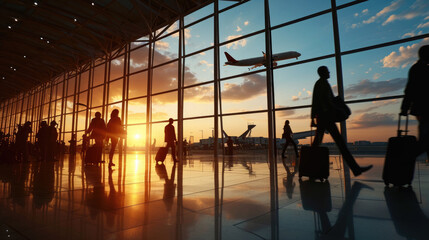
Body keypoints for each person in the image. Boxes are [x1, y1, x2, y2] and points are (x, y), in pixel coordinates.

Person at [311, 66, 372, 177]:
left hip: (323, 117)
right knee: (340, 143)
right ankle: (356, 169)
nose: (329, 72)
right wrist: (338, 109)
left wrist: (313, 118)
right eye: (327, 71)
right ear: (323, 73)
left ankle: (308, 167)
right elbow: (322, 102)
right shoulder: (322, 84)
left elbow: (315, 101)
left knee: (317, 144)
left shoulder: (321, 84)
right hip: (326, 117)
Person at [400, 45, 429, 160]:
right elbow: (410, 90)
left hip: (421, 109)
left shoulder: (416, 69)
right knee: (424, 141)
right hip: (424, 110)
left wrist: (405, 108)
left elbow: (410, 90)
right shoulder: (421, 69)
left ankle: (404, 160)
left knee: (425, 139)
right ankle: (405, 159)